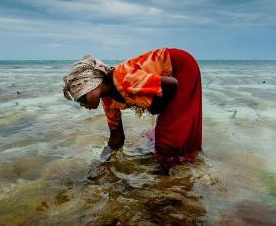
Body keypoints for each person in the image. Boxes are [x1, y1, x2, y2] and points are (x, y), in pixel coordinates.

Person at [62, 48, 202, 166]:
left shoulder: (124, 79)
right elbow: (116, 139)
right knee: (167, 135)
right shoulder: (108, 101)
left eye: (81, 98)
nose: (81, 104)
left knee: (168, 139)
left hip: (181, 66)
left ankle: (170, 186)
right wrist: (100, 162)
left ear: (92, 84)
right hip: (169, 80)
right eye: (78, 101)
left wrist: (156, 109)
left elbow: (171, 84)